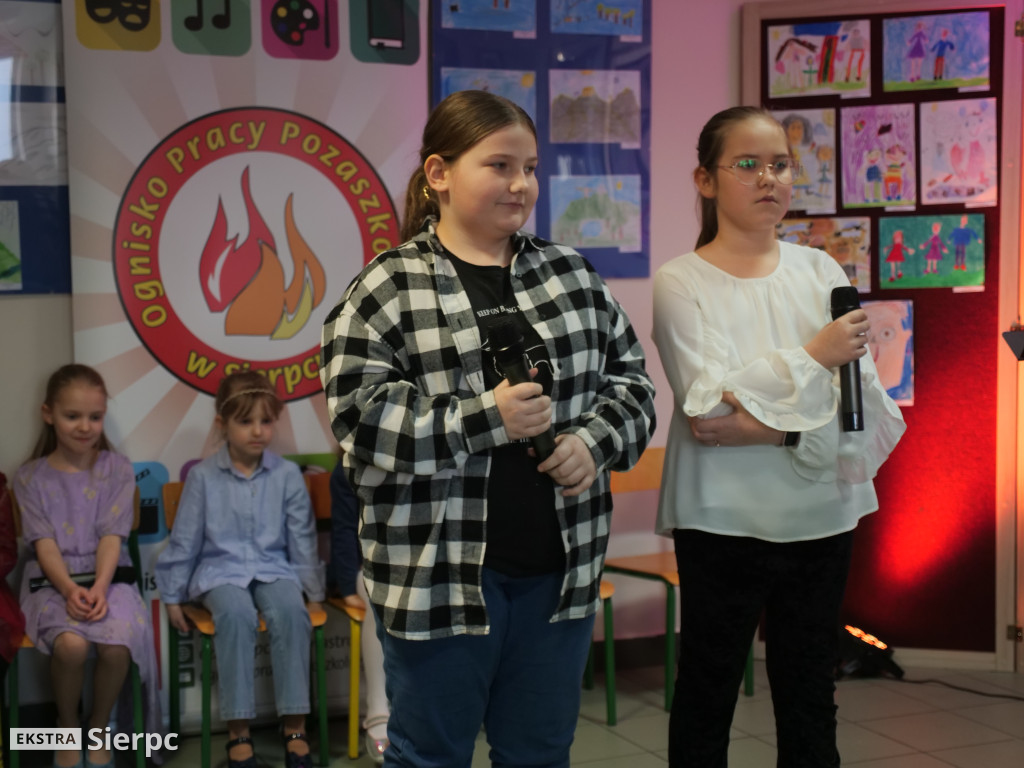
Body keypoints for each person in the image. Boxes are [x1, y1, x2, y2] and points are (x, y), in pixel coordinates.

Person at [320, 89, 656, 768]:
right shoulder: (385, 288)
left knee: (539, 754)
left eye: (529, 168)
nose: (521, 184)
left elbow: (634, 386)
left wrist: (592, 443)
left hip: (558, 575)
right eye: (499, 165)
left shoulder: (571, 276)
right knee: (430, 756)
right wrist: (485, 419)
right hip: (436, 580)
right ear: (439, 173)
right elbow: (360, 419)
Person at [651, 106, 905, 768]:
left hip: (821, 514)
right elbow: (709, 411)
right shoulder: (681, 280)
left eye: (780, 165)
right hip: (721, 518)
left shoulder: (821, 272)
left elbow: (857, 408)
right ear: (705, 180)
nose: (768, 178)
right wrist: (814, 357)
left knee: (809, 692)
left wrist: (773, 423)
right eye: (747, 164)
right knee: (707, 690)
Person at [154, 371, 325, 768]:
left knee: (290, 610)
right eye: (246, 421)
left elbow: (302, 539)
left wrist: (314, 593)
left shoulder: (286, 475)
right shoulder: (203, 477)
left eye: (266, 421)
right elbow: (185, 540)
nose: (257, 431)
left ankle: (295, 728)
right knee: (234, 614)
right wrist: (173, 595)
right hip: (220, 573)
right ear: (222, 423)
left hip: (273, 569)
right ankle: (239, 732)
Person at [13, 363, 160, 768]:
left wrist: (98, 587)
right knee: (72, 645)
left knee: (117, 643)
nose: (85, 427)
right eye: (72, 416)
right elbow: (43, 544)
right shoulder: (29, 478)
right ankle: (66, 725)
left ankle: (98, 726)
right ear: (49, 414)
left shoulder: (117, 468)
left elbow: (112, 536)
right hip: (51, 581)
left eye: (95, 417)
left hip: (110, 578)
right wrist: (69, 589)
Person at [326, 461, 389, 763]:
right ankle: (378, 709)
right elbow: (344, 530)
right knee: (372, 592)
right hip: (364, 570)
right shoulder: (347, 470)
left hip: (413, 565)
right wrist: (347, 585)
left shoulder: (426, 458)